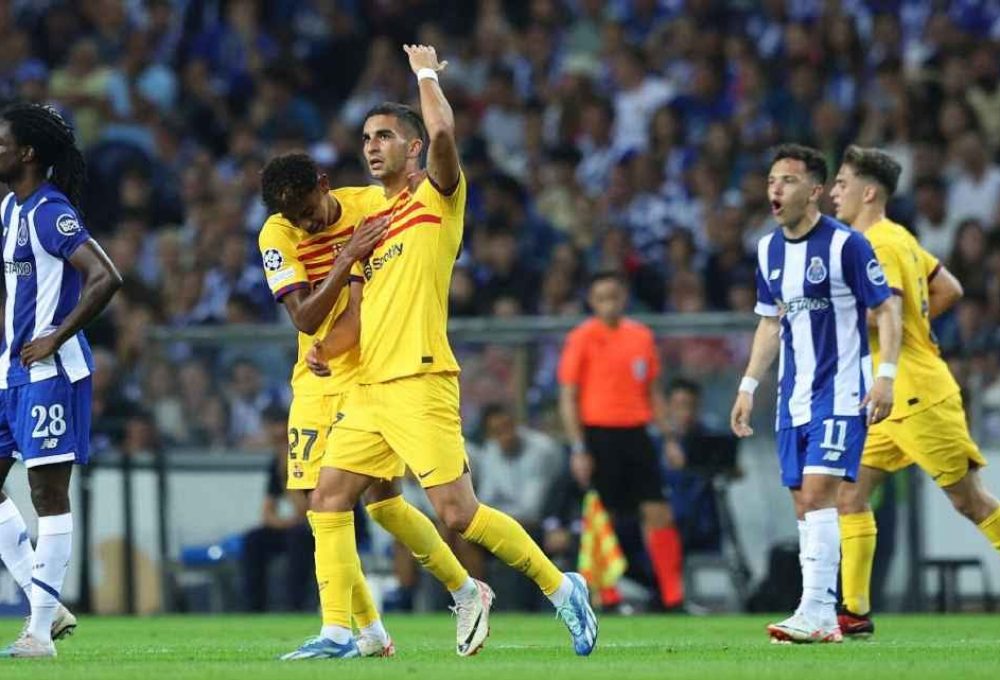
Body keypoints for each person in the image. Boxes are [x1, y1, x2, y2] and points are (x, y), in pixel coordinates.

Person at [297, 44, 597, 660]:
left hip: (420, 379)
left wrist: (426, 75)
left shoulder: (437, 196)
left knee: (460, 514)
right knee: (327, 498)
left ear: (411, 149)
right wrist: (327, 348)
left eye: (384, 136)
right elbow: (358, 314)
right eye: (365, 137)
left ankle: (561, 586)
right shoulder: (370, 224)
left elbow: (442, 129)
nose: (371, 146)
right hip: (370, 388)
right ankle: (335, 632)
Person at [258, 152, 480, 659]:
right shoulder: (278, 235)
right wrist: (342, 258)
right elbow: (305, 319)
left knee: (380, 505)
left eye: (307, 208)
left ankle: (460, 591)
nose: (304, 222)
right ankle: (370, 630)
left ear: (324, 183)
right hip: (316, 377)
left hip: (376, 372)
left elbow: (431, 229)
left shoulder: (371, 203)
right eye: (292, 216)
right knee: (323, 508)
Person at [730, 143, 901, 644]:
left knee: (821, 493)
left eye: (787, 180)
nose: (775, 190)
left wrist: (886, 374)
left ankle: (816, 609)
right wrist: (748, 385)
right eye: (771, 181)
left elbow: (887, 309)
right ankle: (823, 617)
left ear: (816, 190)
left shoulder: (846, 245)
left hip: (841, 390)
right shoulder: (767, 249)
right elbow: (768, 322)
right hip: (792, 397)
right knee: (804, 502)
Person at [830, 146, 1000, 637]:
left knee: (971, 502)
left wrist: (829, 313)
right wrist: (916, 330)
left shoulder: (877, 244)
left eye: (842, 183)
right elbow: (949, 288)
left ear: (868, 192)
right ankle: (854, 612)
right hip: (888, 398)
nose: (835, 192)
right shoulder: (900, 237)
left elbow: (882, 309)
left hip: (914, 394)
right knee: (850, 493)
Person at [0, 103, 123, 658]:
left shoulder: (52, 212)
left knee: (48, 494)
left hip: (51, 373)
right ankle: (43, 602)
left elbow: (105, 276)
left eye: (1, 142)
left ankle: (39, 631)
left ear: (27, 153)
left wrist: (54, 335)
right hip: (10, 373)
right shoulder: (9, 209)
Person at [557, 271, 685, 611]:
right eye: (601, 298)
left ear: (624, 297)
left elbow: (653, 391)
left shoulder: (640, 336)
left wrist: (669, 438)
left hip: (637, 433)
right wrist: (579, 447)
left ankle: (672, 596)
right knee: (603, 518)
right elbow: (569, 396)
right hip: (598, 434)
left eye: (613, 296)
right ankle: (606, 594)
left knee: (659, 512)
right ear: (592, 301)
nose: (609, 304)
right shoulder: (581, 338)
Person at [241, 406, 313, 613]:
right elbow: (267, 512)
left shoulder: (310, 458)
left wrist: (287, 474)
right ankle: (254, 609)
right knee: (254, 539)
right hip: (295, 526)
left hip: (325, 527)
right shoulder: (276, 463)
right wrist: (281, 523)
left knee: (297, 537)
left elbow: (307, 510)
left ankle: (296, 605)